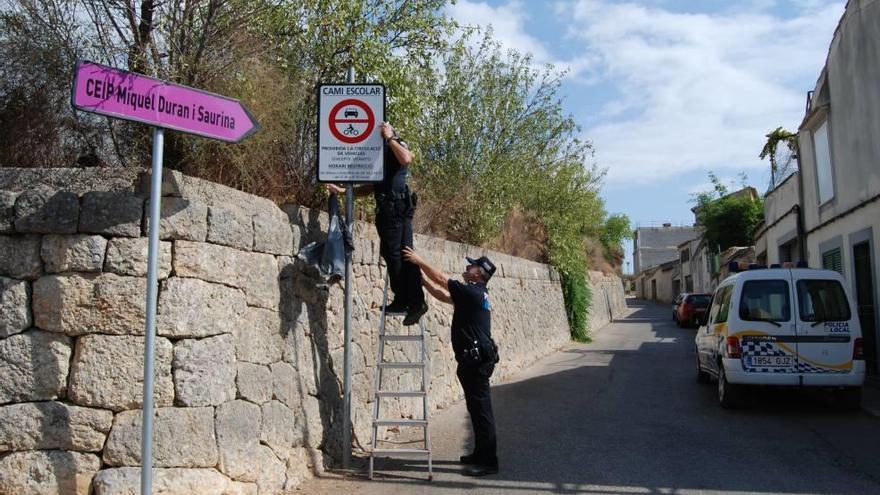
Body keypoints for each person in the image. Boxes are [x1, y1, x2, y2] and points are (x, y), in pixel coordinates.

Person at [402, 246, 499, 477]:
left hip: (476, 362)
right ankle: (479, 453)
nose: (467, 267)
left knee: (482, 412)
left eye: (472, 265)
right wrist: (424, 284)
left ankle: (489, 462)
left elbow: (443, 280)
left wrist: (419, 260)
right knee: (475, 410)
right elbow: (445, 295)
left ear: (479, 273)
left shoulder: (473, 292)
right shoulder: (475, 294)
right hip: (473, 360)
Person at [326, 122, 427, 325]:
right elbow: (373, 186)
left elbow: (406, 158)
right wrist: (346, 191)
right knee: (399, 255)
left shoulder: (394, 144)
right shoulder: (380, 156)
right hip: (392, 208)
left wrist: (390, 137)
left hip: (395, 208)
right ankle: (406, 300)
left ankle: (414, 301)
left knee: (397, 254)